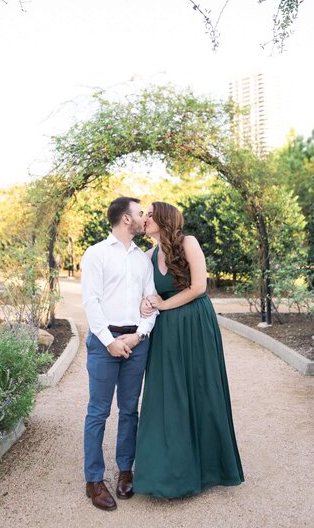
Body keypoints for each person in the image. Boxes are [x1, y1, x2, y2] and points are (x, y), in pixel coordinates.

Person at [133, 201, 244, 499]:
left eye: (150, 215)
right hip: (167, 330)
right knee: (167, 393)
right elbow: (148, 292)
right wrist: (147, 302)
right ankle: (167, 471)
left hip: (195, 323)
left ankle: (211, 467)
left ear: (164, 218)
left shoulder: (188, 242)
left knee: (201, 387)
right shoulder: (147, 255)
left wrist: (164, 304)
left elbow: (199, 287)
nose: (145, 219)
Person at [81, 196, 157, 511]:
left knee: (129, 410)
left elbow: (151, 300)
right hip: (104, 342)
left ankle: (125, 470)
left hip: (136, 342)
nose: (144, 218)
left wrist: (139, 334)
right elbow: (90, 301)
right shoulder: (96, 254)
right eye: (140, 213)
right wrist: (109, 340)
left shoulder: (143, 259)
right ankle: (93, 480)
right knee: (98, 412)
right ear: (126, 219)